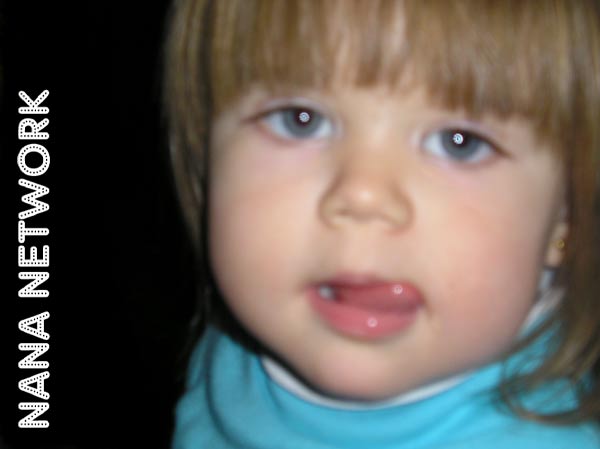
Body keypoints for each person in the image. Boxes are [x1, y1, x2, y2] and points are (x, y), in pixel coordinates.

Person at [163, 1, 600, 447]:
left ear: (566, 217)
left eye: (460, 143)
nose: (364, 196)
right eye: (300, 120)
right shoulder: (244, 340)